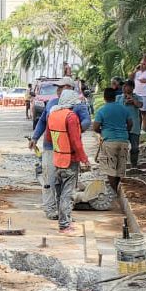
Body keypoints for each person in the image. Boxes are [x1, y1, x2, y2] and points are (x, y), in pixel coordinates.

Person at [29, 77, 91, 220]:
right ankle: (51, 209)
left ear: (69, 88)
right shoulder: (52, 104)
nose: (57, 90)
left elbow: (87, 121)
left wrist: (74, 131)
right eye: (57, 87)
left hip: (69, 150)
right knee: (49, 179)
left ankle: (63, 211)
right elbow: (43, 122)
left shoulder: (78, 105)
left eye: (61, 87)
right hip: (51, 149)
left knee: (66, 183)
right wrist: (34, 138)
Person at [48, 89, 90, 234]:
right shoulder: (71, 117)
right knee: (68, 193)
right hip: (70, 160)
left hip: (57, 159)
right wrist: (84, 159)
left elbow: (48, 138)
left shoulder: (53, 115)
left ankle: (63, 221)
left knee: (59, 192)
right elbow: (76, 141)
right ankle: (65, 225)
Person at [92, 87, 133, 199]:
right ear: (115, 97)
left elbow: (95, 127)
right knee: (120, 169)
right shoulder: (124, 109)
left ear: (105, 98)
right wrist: (124, 132)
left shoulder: (102, 110)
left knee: (110, 169)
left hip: (109, 141)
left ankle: (115, 193)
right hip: (123, 141)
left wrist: (103, 132)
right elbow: (130, 123)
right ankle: (118, 191)